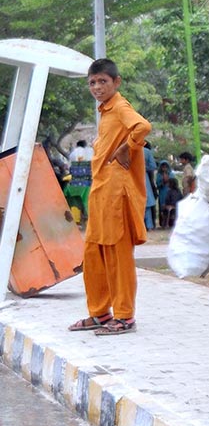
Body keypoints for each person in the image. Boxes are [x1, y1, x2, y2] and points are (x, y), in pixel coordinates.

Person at [68, 58, 151, 336]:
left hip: (116, 193)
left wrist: (128, 147)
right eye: (92, 82)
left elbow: (142, 127)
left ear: (116, 82)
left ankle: (125, 316)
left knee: (118, 255)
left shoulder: (120, 107)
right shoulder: (106, 112)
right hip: (101, 192)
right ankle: (100, 313)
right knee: (93, 254)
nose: (97, 87)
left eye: (103, 81)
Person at [156, 160, 177, 227]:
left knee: (171, 208)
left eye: (165, 166)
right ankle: (163, 223)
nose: (164, 168)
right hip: (162, 193)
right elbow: (158, 184)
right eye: (163, 166)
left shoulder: (171, 174)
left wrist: (168, 179)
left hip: (171, 194)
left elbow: (174, 183)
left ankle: (171, 223)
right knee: (163, 208)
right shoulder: (159, 175)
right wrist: (163, 181)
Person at [143, 142, 157, 230]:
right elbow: (153, 166)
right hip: (144, 178)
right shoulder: (147, 151)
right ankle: (149, 225)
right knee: (147, 203)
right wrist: (144, 168)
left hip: (131, 178)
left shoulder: (128, 149)